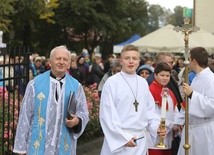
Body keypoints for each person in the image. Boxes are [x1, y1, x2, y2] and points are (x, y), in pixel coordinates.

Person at [13, 45, 89, 155]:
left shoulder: (76, 86)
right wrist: (21, 147)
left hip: (64, 146)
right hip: (37, 146)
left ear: (68, 64)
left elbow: (83, 113)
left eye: (65, 59)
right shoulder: (35, 84)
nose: (61, 62)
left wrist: (77, 121)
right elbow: (25, 115)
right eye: (58, 58)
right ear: (50, 61)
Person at [99, 45, 166, 155]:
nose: (131, 61)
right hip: (120, 142)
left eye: (134, 58)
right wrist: (122, 138)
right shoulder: (112, 82)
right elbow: (107, 115)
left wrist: (156, 127)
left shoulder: (143, 83)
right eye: (127, 58)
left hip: (140, 141)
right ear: (121, 61)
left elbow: (150, 111)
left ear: (139, 61)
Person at [176, 47, 214, 155]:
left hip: (204, 131)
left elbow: (212, 106)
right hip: (191, 128)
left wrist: (192, 94)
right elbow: (189, 104)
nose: (186, 63)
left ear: (194, 61)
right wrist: (181, 120)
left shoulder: (211, 79)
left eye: (188, 60)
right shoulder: (196, 77)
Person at [148, 62, 180, 155]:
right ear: (155, 75)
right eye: (162, 75)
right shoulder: (150, 91)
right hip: (155, 135)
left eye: (167, 75)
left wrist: (177, 123)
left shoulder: (169, 91)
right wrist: (170, 125)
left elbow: (175, 110)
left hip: (168, 134)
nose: (165, 78)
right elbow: (151, 113)